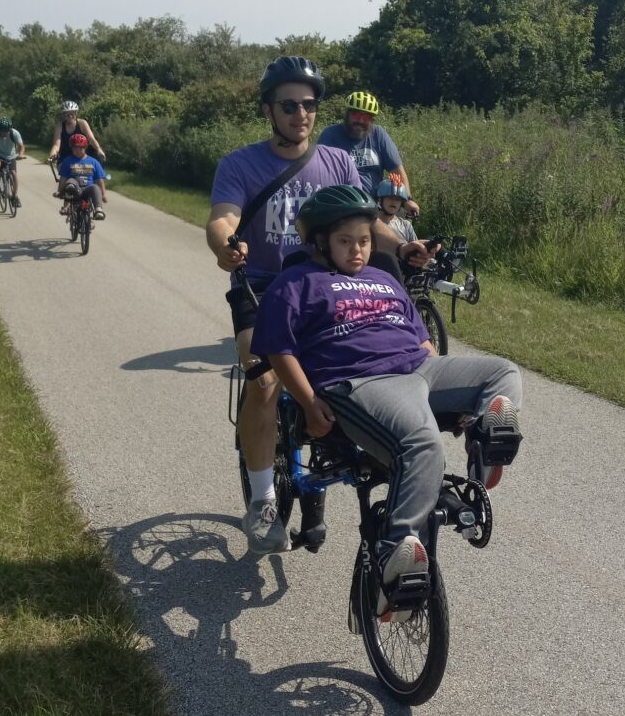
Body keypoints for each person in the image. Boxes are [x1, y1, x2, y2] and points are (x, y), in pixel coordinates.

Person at [250, 184, 522, 617]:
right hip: (361, 380)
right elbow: (279, 350)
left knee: (502, 372)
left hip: (418, 368)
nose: (358, 251)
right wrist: (306, 401)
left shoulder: (382, 278)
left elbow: (421, 340)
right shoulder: (296, 283)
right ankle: (394, 555)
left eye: (364, 240)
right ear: (320, 242)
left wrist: (449, 389)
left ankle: (482, 458)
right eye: (345, 241)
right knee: (424, 444)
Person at [206, 56, 436, 555]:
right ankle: (264, 498)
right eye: (290, 104)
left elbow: (365, 225)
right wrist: (227, 244)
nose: (301, 114)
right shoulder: (240, 165)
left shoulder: (338, 162)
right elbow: (222, 218)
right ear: (269, 109)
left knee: (373, 367)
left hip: (328, 288)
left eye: (309, 105)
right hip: (265, 288)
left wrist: (401, 247)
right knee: (264, 380)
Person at [317, 91, 420, 216]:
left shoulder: (378, 135)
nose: (360, 120)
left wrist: (408, 200)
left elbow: (397, 170)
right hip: (342, 207)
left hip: (375, 207)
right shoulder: (330, 135)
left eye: (366, 117)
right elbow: (319, 174)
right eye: (356, 115)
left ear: (371, 120)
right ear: (347, 114)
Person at [55, 133, 108, 223]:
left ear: (85, 147)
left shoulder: (93, 162)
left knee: (95, 187)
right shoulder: (68, 161)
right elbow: (63, 178)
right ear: (71, 148)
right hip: (74, 189)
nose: (77, 150)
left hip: (87, 188)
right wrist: (60, 191)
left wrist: (103, 195)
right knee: (70, 181)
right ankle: (67, 207)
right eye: (74, 148)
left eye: (80, 148)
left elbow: (99, 179)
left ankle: (98, 210)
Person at [0, 117, 26, 208]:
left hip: (10, 156)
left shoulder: (14, 133)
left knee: (13, 173)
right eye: (2, 131)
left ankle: (15, 197)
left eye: (6, 131)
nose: (4, 133)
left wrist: (20, 154)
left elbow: (21, 146)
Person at [373, 173, 416, 244]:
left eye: (397, 199)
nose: (393, 201)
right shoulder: (371, 223)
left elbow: (414, 247)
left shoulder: (406, 225)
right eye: (390, 197)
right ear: (381, 200)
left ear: (401, 203)